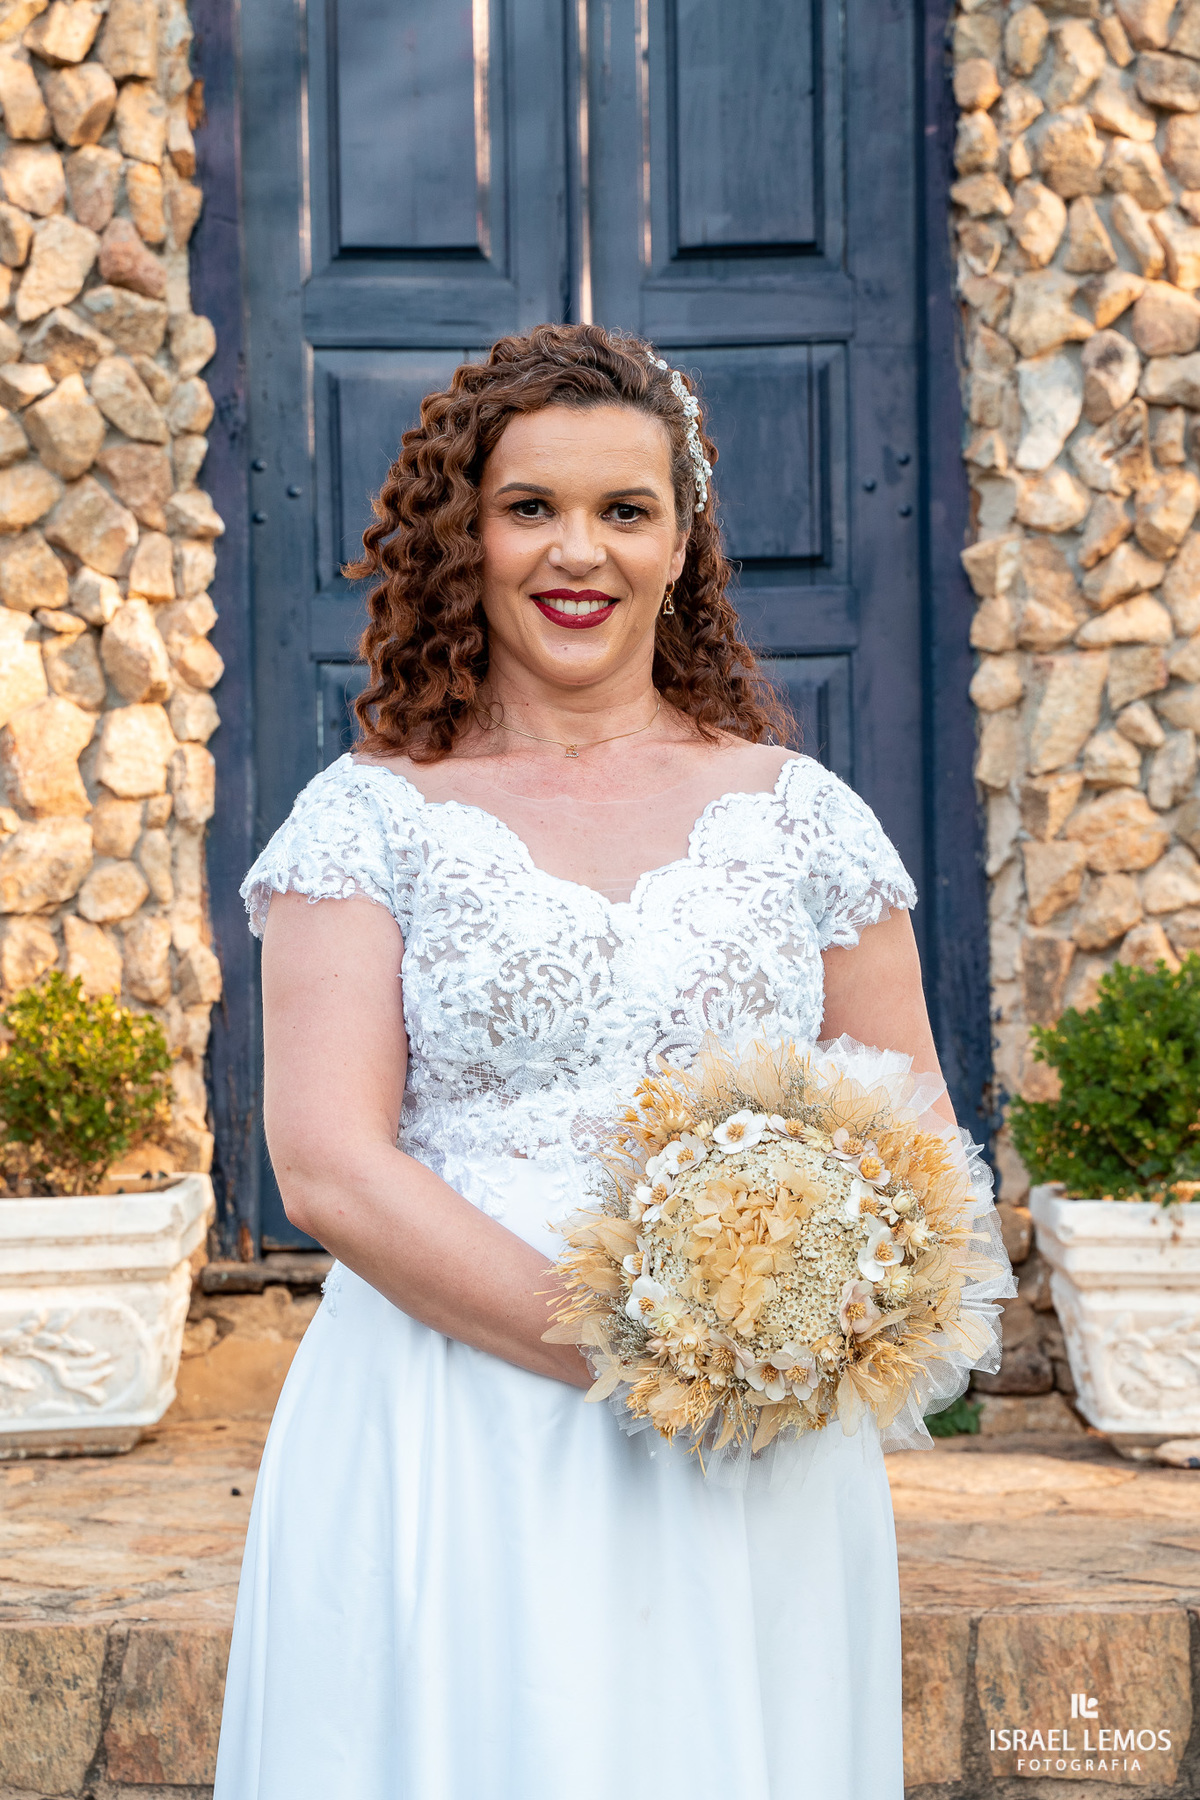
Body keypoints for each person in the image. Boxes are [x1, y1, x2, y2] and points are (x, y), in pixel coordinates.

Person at [214, 322, 1012, 1799]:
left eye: (623, 510)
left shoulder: (804, 817)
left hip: (746, 1452)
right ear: (470, 533)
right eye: (531, 508)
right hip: (452, 1425)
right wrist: (629, 1350)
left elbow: (917, 1150)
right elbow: (326, 1162)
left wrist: (779, 1345)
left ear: (681, 542)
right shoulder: (367, 818)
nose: (576, 553)